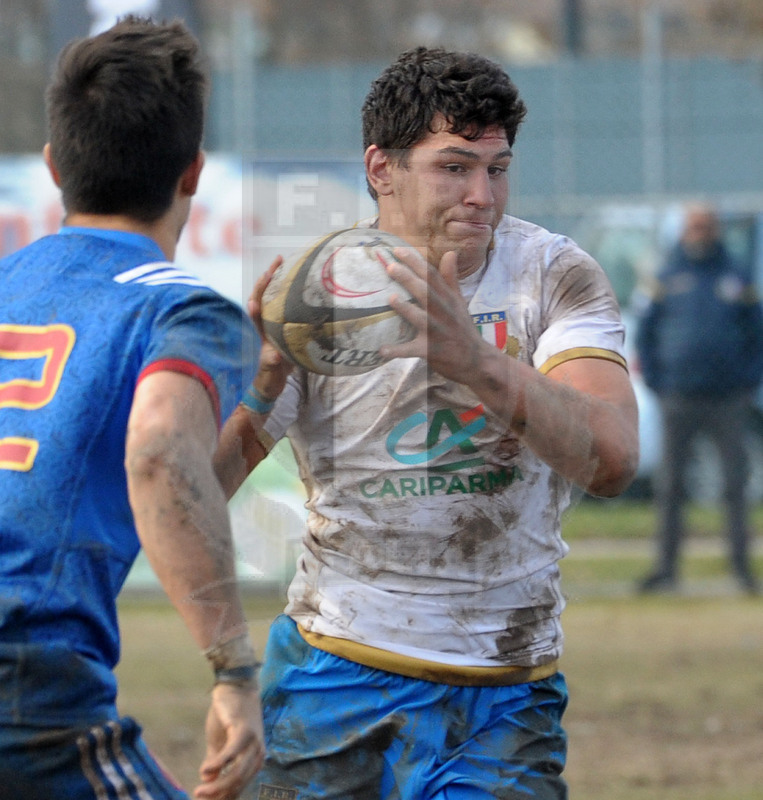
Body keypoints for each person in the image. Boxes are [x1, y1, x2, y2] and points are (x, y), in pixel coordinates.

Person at [216, 47, 639, 799]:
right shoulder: (319, 293)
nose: (482, 194)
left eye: (497, 168)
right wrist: (259, 389)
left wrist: (475, 361)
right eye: (453, 167)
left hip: (504, 691)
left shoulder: (552, 274)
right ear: (381, 168)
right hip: (331, 675)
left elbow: (610, 458)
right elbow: (199, 487)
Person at [0, 17, 265, 800]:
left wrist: (267, 394)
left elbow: (164, 493)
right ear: (193, 172)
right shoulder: (183, 314)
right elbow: (157, 457)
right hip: (27, 681)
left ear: (54, 167)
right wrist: (234, 671)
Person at [636, 204, 763, 595]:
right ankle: (666, 569)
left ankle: (742, 569)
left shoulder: (735, 277)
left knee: (734, 484)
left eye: (706, 226)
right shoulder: (667, 278)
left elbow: (757, 335)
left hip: (727, 399)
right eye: (694, 226)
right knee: (671, 486)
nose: (700, 232)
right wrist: (659, 383)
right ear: (683, 231)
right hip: (678, 397)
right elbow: (646, 336)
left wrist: (747, 382)